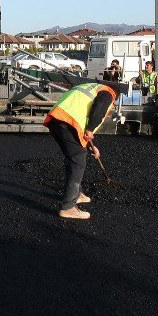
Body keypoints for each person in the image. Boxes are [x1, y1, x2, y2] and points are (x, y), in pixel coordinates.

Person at [43, 82, 118, 220]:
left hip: (57, 121)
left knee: (74, 156)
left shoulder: (90, 87)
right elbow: (99, 108)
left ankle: (77, 194)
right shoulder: (108, 93)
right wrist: (90, 129)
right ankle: (68, 207)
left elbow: (81, 119)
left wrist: (92, 146)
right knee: (77, 160)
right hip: (68, 123)